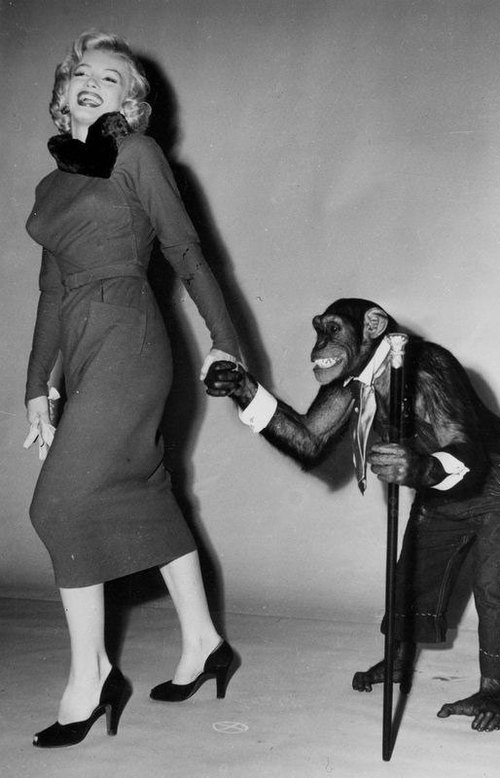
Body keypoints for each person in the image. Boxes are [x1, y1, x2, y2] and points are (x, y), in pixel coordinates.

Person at [23, 30, 239, 748]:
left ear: (133, 105)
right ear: (63, 95)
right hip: (84, 343)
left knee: (59, 504)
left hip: (131, 338)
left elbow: (185, 250)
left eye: (111, 78)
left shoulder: (137, 155)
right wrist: (38, 387)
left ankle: (91, 677)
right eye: (81, 73)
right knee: (143, 493)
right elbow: (52, 290)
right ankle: (205, 641)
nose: (92, 81)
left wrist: (226, 339)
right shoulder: (53, 184)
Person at [205, 298, 500, 732]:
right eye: (319, 329)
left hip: (489, 484)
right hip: (436, 488)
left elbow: (468, 451)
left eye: (333, 330)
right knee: (410, 578)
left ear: (373, 325)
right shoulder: (354, 380)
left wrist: (422, 469)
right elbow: (307, 440)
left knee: (495, 589)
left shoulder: (427, 364)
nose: (321, 343)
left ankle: (496, 690)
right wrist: (246, 389)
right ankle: (397, 661)